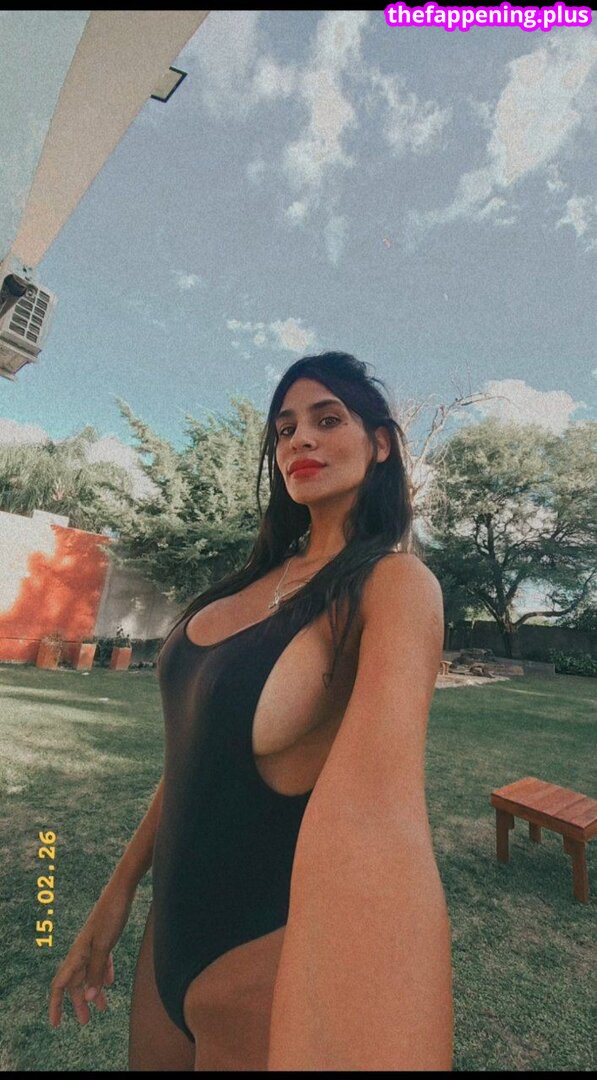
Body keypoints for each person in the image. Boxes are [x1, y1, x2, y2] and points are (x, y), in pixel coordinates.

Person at [48, 351, 453, 1070]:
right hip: (166, 945)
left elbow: (379, 812)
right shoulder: (250, 580)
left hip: (260, 962)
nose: (300, 439)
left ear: (380, 443)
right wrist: (115, 899)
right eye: (285, 429)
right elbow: (194, 759)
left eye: (327, 419)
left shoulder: (392, 585)